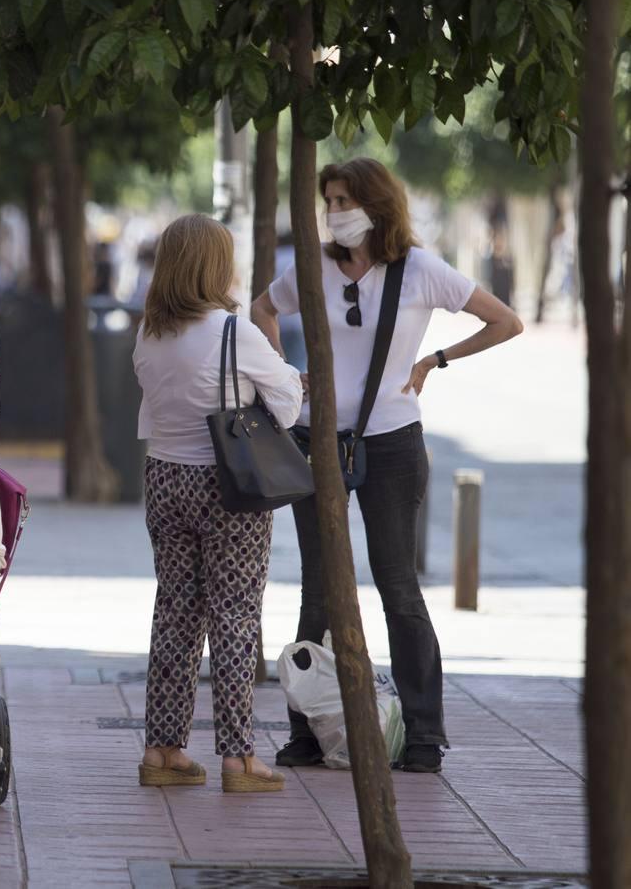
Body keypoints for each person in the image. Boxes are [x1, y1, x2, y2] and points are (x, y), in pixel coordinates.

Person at [251, 157, 524, 774]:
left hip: (394, 442)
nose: (335, 213)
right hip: (316, 438)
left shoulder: (421, 270)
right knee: (318, 589)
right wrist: (285, 374)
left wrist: (436, 361)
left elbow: (506, 320)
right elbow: (261, 309)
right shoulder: (314, 268)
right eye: (329, 201)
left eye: (345, 199)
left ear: (376, 205)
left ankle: (425, 734)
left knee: (397, 586)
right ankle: (309, 731)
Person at [133, 215, 302, 793]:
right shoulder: (234, 332)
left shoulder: (149, 333)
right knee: (234, 616)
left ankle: (163, 750)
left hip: (163, 477)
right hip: (228, 488)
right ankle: (238, 758)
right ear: (215, 265)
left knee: (176, 613)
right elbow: (286, 406)